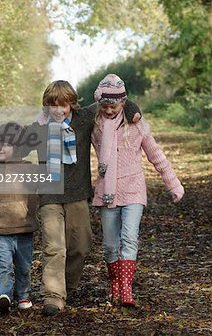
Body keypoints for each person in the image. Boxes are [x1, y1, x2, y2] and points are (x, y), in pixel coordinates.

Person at [19, 80, 141, 316]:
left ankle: (66, 286)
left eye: (63, 105)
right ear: (46, 106)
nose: (58, 110)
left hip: (77, 195)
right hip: (49, 196)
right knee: (55, 247)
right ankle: (53, 296)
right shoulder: (39, 127)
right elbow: (17, 147)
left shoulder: (84, 120)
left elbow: (112, 102)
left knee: (81, 246)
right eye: (52, 105)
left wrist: (133, 108)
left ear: (72, 105)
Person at [91, 74, 185, 307]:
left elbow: (157, 156)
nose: (110, 110)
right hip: (106, 192)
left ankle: (126, 292)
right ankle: (114, 288)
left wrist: (173, 184)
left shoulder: (137, 125)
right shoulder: (95, 126)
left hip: (133, 191)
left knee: (129, 238)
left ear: (123, 103)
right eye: (105, 106)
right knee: (110, 245)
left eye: (114, 106)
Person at [0, 122, 39, 314]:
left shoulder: (30, 169)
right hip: (0, 226)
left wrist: (31, 214)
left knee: (24, 265)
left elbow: (39, 193)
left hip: (24, 226)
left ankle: (23, 294)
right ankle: (3, 295)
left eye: (7, 144)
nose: (0, 147)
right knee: (3, 264)